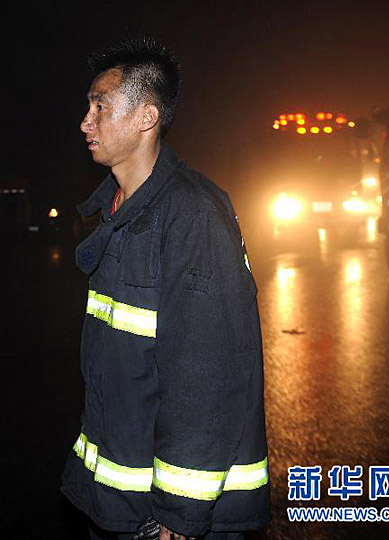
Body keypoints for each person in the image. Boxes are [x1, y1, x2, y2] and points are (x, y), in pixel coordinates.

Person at [61, 37, 270, 540]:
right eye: (88, 107)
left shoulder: (192, 215)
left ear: (146, 118)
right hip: (116, 502)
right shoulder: (120, 210)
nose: (85, 122)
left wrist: (181, 509)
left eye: (100, 107)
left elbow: (208, 371)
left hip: (167, 517)